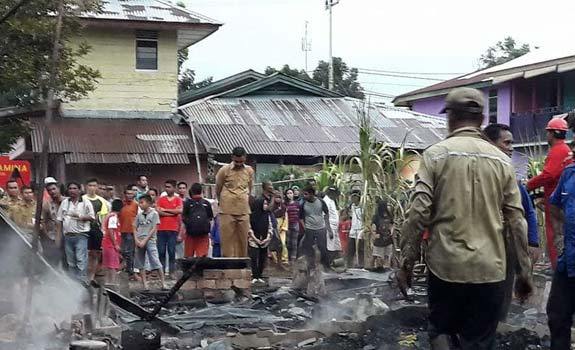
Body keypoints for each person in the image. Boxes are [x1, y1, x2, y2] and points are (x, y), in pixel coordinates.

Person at [398, 87, 533, 349]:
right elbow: (517, 220)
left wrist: (406, 263)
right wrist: (524, 273)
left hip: (446, 268)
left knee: (441, 333)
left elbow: (418, 212)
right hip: (490, 271)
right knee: (479, 341)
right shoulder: (502, 162)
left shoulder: (435, 155)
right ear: (482, 120)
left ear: (450, 117)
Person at [527, 117, 571, 269]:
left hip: (554, 201)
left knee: (554, 234)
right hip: (559, 199)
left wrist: (528, 185)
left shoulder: (558, 151)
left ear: (552, 134)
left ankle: (556, 268)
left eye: (548, 133)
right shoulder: (565, 150)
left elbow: (549, 175)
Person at [548, 163, 575, 349]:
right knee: (557, 315)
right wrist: (559, 235)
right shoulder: (569, 173)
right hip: (569, 261)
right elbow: (555, 205)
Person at [215, 146, 254, 257]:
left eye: (241, 161)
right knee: (227, 239)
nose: (238, 163)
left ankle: (241, 265)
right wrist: (221, 201)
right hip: (227, 209)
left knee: (243, 240)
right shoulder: (224, 170)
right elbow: (218, 188)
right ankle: (228, 265)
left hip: (243, 210)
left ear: (245, 158)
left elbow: (250, 189)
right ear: (232, 157)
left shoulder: (249, 170)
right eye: (236, 161)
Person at [57, 182, 95, 282]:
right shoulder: (65, 203)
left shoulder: (85, 202)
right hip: (68, 236)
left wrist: (80, 216)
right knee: (70, 261)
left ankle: (82, 281)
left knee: (80, 259)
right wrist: (58, 237)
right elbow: (60, 220)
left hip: (81, 235)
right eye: (70, 188)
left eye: (74, 188)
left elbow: (92, 217)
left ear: (79, 190)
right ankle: (73, 283)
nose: (72, 190)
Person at [134, 194, 165, 290]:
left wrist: (145, 240)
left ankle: (163, 283)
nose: (140, 205)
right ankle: (145, 284)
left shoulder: (154, 213)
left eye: (142, 202)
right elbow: (134, 227)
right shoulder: (139, 215)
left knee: (155, 260)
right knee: (140, 262)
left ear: (148, 203)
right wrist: (136, 239)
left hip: (150, 240)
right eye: (139, 203)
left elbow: (154, 228)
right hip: (139, 239)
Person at [299, 185, 332, 269]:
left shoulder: (320, 202)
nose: (304, 196)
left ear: (311, 194)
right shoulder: (303, 204)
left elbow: (326, 214)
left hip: (321, 228)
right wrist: (305, 228)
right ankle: (311, 266)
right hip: (309, 229)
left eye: (306, 194)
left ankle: (325, 266)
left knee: (323, 248)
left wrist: (329, 228)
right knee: (309, 249)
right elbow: (300, 218)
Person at [83, 178, 110, 282]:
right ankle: (84, 275)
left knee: (95, 253)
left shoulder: (102, 202)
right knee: (85, 253)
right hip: (84, 229)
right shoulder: (82, 199)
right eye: (90, 185)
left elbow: (105, 217)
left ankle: (92, 276)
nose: (92, 188)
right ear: (86, 186)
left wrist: (104, 231)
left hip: (97, 229)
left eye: (94, 186)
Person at [156, 179, 183, 278]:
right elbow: (158, 211)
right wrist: (173, 212)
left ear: (174, 188)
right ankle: (162, 272)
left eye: (169, 187)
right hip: (161, 229)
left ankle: (172, 272)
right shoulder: (161, 199)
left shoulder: (178, 199)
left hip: (173, 229)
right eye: (166, 187)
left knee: (171, 251)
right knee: (161, 251)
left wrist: (166, 210)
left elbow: (179, 211)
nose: (167, 189)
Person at [182, 183, 214, 257]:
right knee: (201, 257)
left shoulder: (187, 203)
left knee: (188, 257)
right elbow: (210, 218)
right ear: (201, 191)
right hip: (203, 235)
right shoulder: (207, 203)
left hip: (190, 235)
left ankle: (190, 268)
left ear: (191, 191)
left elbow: (184, 218)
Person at [41, 180, 67, 267]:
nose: (52, 192)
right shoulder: (46, 204)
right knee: (54, 259)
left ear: (58, 189)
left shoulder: (67, 201)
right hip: (53, 235)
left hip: (68, 234)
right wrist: (47, 235)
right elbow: (43, 221)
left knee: (67, 259)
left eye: (54, 189)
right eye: (49, 190)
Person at [249, 197, 273, 283]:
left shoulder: (267, 215)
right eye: (264, 204)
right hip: (254, 240)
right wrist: (255, 239)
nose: (266, 206)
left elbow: (270, 227)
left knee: (262, 258)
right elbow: (249, 229)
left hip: (264, 240)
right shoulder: (251, 216)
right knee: (254, 257)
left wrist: (267, 238)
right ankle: (255, 275)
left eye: (266, 204)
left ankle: (259, 275)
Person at [102, 199, 123, 285]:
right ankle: (112, 283)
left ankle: (108, 283)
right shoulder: (113, 217)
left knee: (109, 265)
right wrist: (115, 244)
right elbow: (111, 230)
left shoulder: (110, 216)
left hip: (108, 244)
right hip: (110, 245)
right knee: (112, 266)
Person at [119, 186, 139, 278]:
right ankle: (124, 269)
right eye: (128, 193)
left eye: (131, 193)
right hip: (121, 231)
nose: (129, 195)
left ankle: (130, 271)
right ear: (125, 194)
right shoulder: (121, 204)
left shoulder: (136, 205)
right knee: (122, 251)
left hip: (132, 232)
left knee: (130, 252)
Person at [371, 200, 394, 270]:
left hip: (388, 239)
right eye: (387, 205)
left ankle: (386, 269)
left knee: (387, 255)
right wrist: (374, 234)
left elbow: (392, 224)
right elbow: (372, 225)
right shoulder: (376, 216)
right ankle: (374, 268)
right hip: (379, 239)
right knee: (377, 256)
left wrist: (391, 231)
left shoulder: (389, 215)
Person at [323, 187, 341, 266]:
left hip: (334, 227)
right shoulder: (326, 201)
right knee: (330, 247)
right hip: (329, 227)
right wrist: (329, 230)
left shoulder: (332, 201)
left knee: (336, 247)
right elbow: (325, 216)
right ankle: (327, 264)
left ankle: (333, 264)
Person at [347, 191, 365, 268]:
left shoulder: (363, 207)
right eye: (352, 197)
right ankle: (349, 265)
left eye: (355, 197)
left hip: (360, 230)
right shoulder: (351, 206)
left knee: (360, 249)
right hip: (353, 230)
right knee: (351, 249)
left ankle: (361, 265)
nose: (353, 198)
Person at [271, 190, 288, 266]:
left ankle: (284, 259)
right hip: (273, 225)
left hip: (281, 225)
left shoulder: (283, 207)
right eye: (276, 197)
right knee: (274, 244)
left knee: (283, 243)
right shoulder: (271, 207)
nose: (278, 199)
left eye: (279, 197)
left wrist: (283, 227)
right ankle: (275, 259)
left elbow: (285, 217)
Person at [285, 188, 300, 262]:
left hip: (295, 224)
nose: (289, 195)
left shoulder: (297, 203)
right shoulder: (285, 204)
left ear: (293, 194)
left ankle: (293, 258)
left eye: (291, 193)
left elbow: (300, 214)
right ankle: (287, 257)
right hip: (287, 225)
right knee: (287, 242)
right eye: (288, 193)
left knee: (294, 242)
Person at [176, 181, 189, 259]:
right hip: (176, 225)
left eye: (183, 188)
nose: (182, 190)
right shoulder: (175, 200)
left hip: (186, 227)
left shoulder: (188, 201)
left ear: (186, 189)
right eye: (180, 188)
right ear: (177, 189)